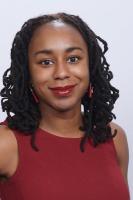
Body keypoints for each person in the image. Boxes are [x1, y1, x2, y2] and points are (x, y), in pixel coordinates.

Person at [0, 12, 130, 199]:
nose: (61, 73)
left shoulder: (113, 138)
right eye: (46, 62)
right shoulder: (5, 144)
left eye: (73, 59)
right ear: (27, 72)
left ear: (90, 65)